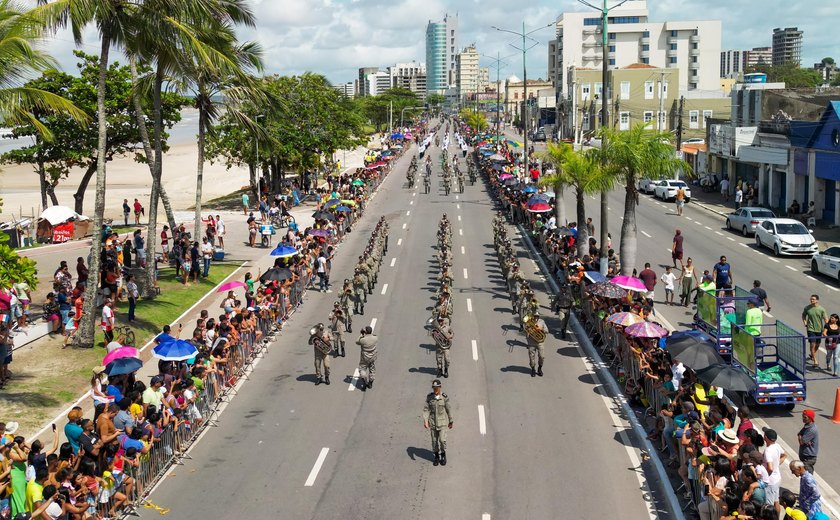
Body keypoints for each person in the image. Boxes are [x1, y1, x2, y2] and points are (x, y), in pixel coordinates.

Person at [422, 379, 453, 467]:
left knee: (442, 440)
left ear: (440, 387)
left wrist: (451, 421)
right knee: (434, 441)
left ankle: (443, 454)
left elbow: (448, 409)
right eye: (434, 388)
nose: (435, 389)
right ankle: (436, 456)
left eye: (437, 388)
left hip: (442, 422)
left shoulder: (444, 397)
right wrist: (425, 421)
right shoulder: (429, 397)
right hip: (433, 423)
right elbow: (426, 409)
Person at [762, 427, 786, 513]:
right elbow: (784, 455)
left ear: (766, 438)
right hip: (777, 479)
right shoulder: (777, 446)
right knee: (776, 502)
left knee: (769, 506)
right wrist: (777, 464)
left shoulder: (768, 451)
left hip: (771, 482)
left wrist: (765, 477)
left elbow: (770, 468)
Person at [802, 294, 828, 367]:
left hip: (819, 329)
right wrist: (805, 322)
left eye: (813, 299)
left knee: (817, 344)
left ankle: (812, 354)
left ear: (817, 300)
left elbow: (826, 319)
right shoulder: (807, 308)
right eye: (811, 299)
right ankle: (815, 361)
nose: (811, 300)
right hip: (810, 329)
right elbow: (803, 315)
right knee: (812, 344)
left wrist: (827, 328)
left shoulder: (822, 309)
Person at [525, 310, 548, 377]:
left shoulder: (542, 322)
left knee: (542, 356)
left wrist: (541, 329)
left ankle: (539, 368)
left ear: (539, 316)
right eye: (535, 316)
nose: (536, 317)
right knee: (531, 357)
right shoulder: (529, 322)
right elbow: (526, 332)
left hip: (540, 342)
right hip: (531, 342)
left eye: (537, 316)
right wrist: (528, 331)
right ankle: (533, 369)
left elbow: (547, 331)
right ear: (533, 316)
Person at [356, 326, 377, 390]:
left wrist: (361, 334)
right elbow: (373, 335)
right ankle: (370, 382)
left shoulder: (363, 340)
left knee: (362, 369)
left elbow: (357, 341)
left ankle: (364, 382)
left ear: (366, 332)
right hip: (372, 356)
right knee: (372, 369)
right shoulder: (375, 338)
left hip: (365, 357)